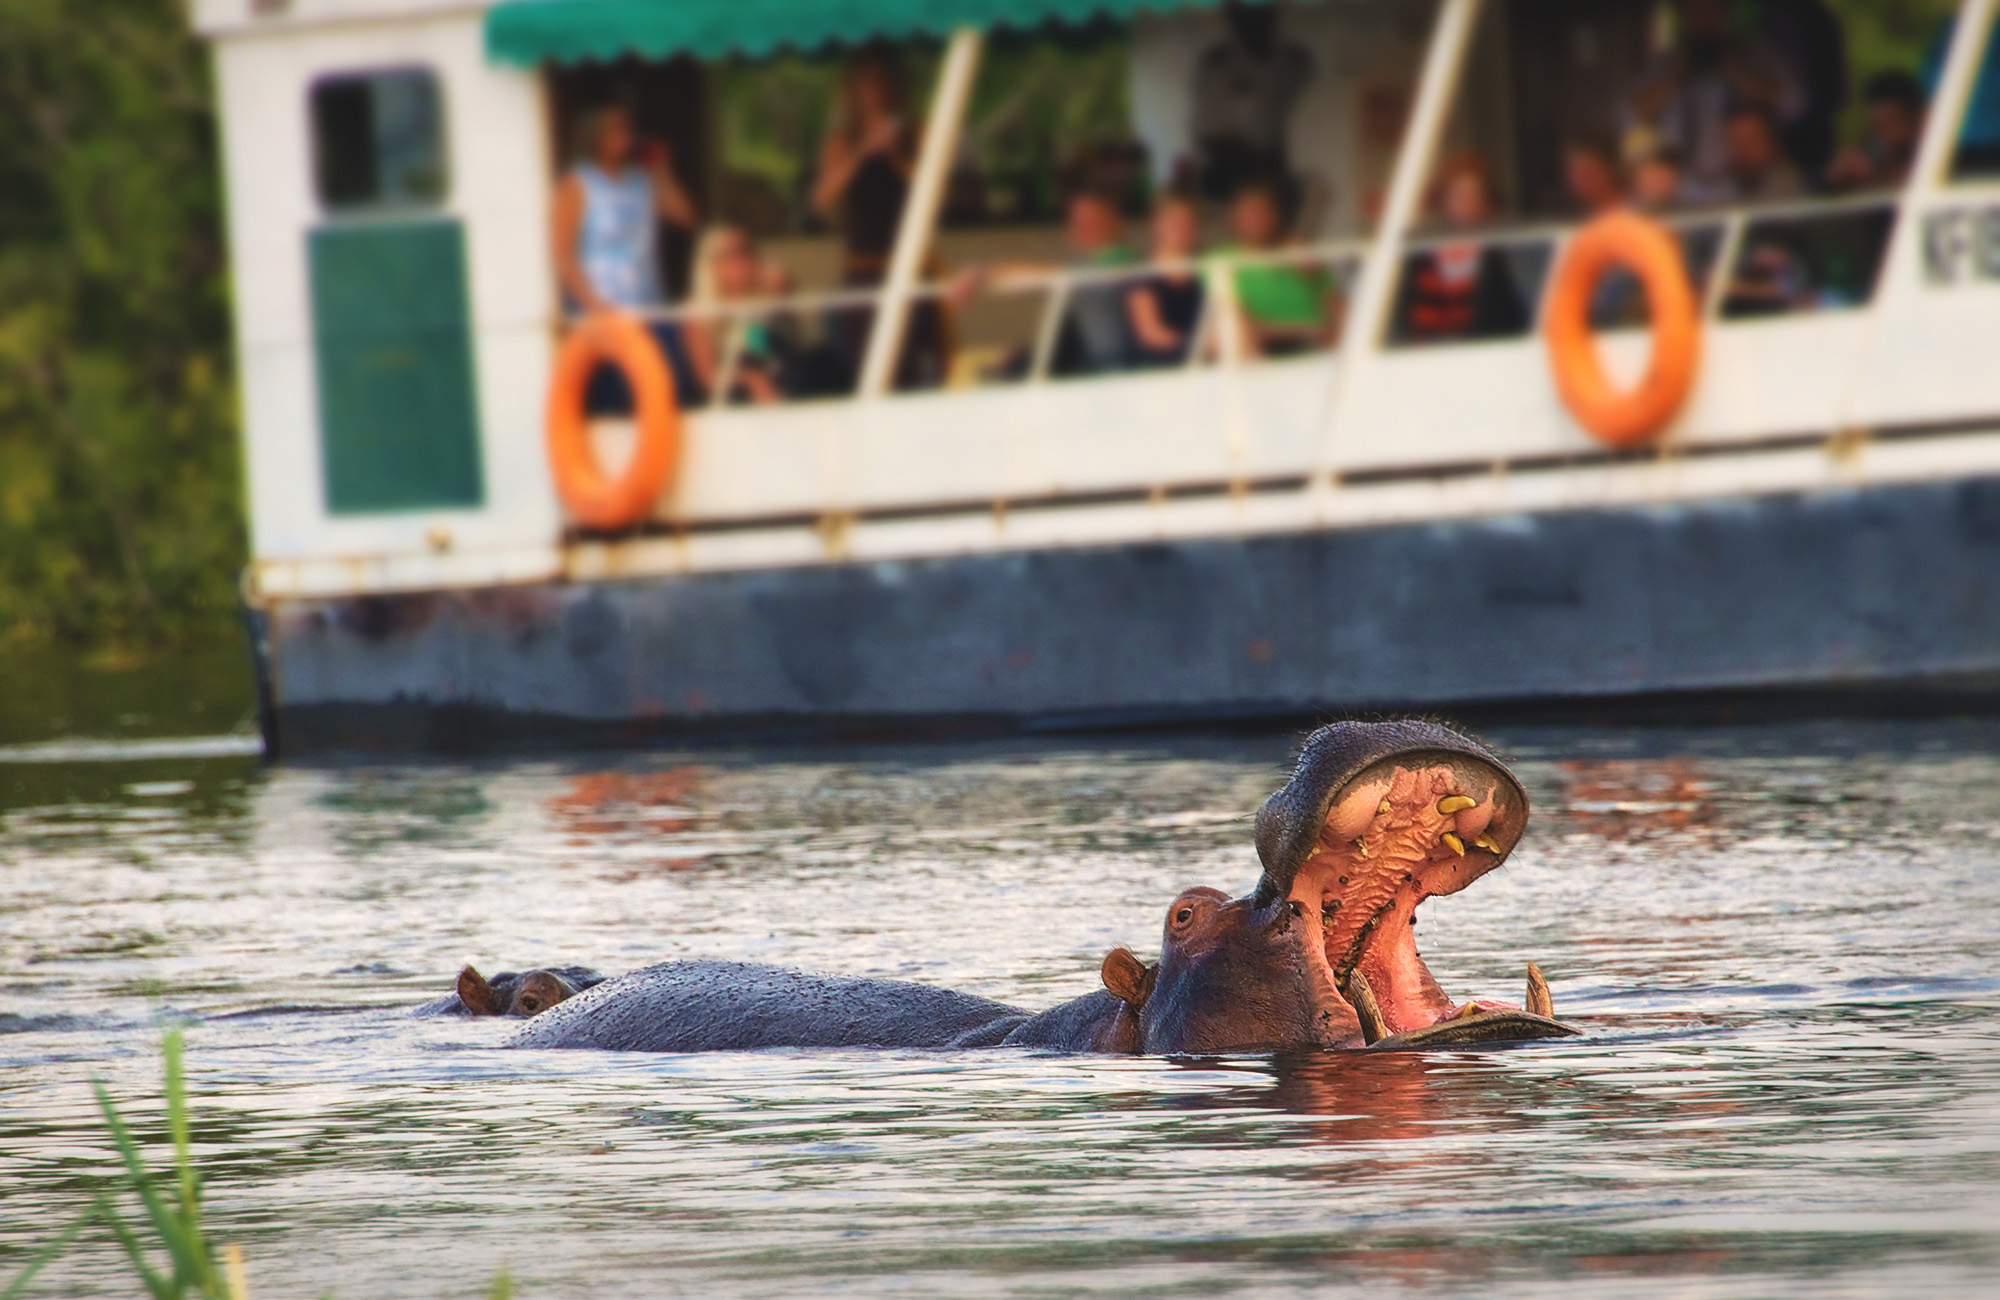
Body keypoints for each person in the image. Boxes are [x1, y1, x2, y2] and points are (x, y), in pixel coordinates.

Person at [811, 45, 946, 388]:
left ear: (894, 85)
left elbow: (937, 191)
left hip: (910, 264)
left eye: (881, 80)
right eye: (866, 81)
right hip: (865, 268)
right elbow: (822, 201)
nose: (873, 89)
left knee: (915, 365)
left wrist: (896, 155)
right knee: (870, 367)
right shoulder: (841, 139)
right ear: (853, 87)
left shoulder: (917, 132)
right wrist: (862, 152)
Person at [551, 104, 702, 409]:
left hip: (650, 310)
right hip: (605, 316)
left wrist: (661, 169)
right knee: (620, 403)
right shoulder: (577, 184)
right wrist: (593, 305)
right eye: (616, 128)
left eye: (627, 128)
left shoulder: (641, 180)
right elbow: (562, 253)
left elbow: (687, 217)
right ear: (594, 134)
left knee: (665, 396)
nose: (626, 136)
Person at [1625, 0, 1803, 204]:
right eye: (1696, 12)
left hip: (1747, 186)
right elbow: (1629, 114)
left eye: (1712, 11)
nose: (1704, 21)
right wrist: (1676, 75)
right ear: (1682, 15)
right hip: (1681, 190)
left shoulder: (1757, 55)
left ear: (1728, 12)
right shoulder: (1665, 63)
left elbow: (1794, 104)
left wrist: (1733, 68)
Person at [1190, 2, 1314, 218]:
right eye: (1246, 15)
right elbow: (1209, 136)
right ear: (1233, 20)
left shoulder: (1290, 60)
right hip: (1232, 165)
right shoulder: (1219, 65)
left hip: (1274, 164)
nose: (1256, 21)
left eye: (1262, 13)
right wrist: (1250, 158)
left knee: (1291, 199)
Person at [1393, 155, 1528, 343]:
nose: (1465, 203)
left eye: (1474, 195)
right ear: (1445, 201)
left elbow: (1510, 324)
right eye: (1458, 194)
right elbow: (1401, 321)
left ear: (1485, 202)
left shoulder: (1498, 257)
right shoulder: (1419, 255)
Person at [1216, 177, 1340, 357]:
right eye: (1248, 211)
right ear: (1233, 215)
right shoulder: (1221, 261)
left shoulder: (1301, 255)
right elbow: (1239, 324)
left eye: (1262, 211)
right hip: (1264, 356)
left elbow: (1336, 305)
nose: (1256, 218)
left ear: (1276, 215)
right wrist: (1306, 331)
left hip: (1324, 353)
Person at [1126, 191, 1207, 368]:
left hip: (1210, 358)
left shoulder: (1207, 269)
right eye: (1172, 222)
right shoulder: (1141, 275)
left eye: (1187, 222)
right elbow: (1153, 335)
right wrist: (1206, 342)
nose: (1180, 228)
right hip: (1163, 365)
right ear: (1156, 225)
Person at [1826, 71, 1926, 191]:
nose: (1886, 137)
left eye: (1893, 124)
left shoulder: (1937, 159)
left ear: (1916, 119)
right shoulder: (1869, 158)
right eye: (1877, 128)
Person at [1724, 104, 1805, 201]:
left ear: (1772, 144)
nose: (1742, 149)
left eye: (1750, 140)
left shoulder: (1789, 187)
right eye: (1735, 140)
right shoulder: (1722, 186)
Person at [1563, 136, 1627, 217]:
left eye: (1587, 172)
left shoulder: (1630, 208)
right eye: (1574, 173)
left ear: (1607, 171)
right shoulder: (1579, 211)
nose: (1580, 181)